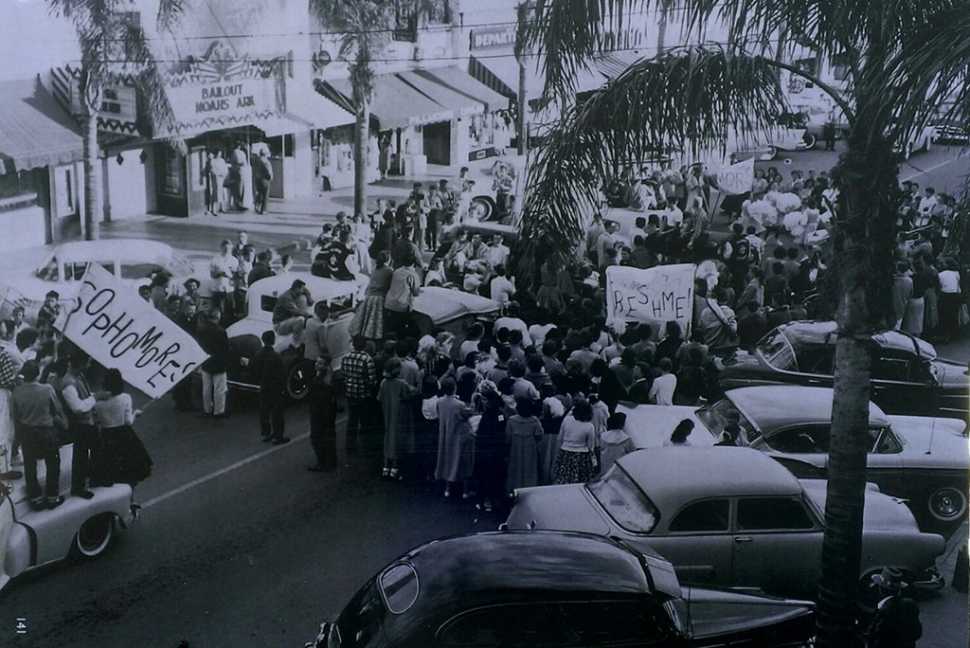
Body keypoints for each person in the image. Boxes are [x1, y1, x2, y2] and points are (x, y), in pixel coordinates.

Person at [11, 360, 66, 510]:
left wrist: (17, 439)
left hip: (27, 433)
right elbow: (57, 408)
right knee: (53, 465)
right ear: (37, 374)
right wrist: (63, 422)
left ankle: (36, 499)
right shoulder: (47, 389)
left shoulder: (17, 392)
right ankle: (52, 497)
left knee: (30, 467)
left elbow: (14, 416)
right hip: (47, 432)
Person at [61, 351, 110, 499]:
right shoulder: (68, 383)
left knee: (97, 450)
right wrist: (96, 397)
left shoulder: (78, 376)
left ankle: (96, 479)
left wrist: (97, 396)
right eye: (88, 362)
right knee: (81, 457)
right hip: (80, 424)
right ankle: (78, 488)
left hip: (89, 421)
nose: (89, 365)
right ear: (80, 364)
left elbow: (85, 395)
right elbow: (78, 407)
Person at [93, 368, 152, 486]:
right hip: (124, 435)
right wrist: (136, 414)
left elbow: (97, 420)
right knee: (130, 471)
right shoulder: (125, 398)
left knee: (111, 470)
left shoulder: (98, 402)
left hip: (106, 435)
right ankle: (131, 499)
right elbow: (128, 421)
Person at [434, 378, 476, 499]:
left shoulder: (440, 401)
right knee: (464, 462)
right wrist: (473, 401)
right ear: (454, 388)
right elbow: (468, 414)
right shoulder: (459, 404)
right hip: (459, 434)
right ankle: (465, 491)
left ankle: (447, 489)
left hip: (445, 434)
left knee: (446, 459)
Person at [377, 357, 416, 481]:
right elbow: (408, 396)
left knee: (388, 436)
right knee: (397, 439)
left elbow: (379, 398)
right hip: (400, 414)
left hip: (387, 412)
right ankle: (395, 467)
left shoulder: (383, 382)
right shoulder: (401, 383)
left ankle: (386, 466)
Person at [866, 567, 922, 648]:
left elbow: (878, 641)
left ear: (880, 589)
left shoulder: (885, 612)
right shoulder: (909, 605)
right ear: (898, 590)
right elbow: (917, 633)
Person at [340, 336, 376, 455]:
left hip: (350, 392)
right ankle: (366, 445)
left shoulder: (345, 357)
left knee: (352, 419)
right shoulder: (367, 359)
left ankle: (350, 445)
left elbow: (343, 375)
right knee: (365, 420)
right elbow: (372, 380)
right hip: (363, 393)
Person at [252, 330, 288, 444]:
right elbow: (283, 373)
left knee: (264, 410)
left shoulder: (258, 354)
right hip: (275, 387)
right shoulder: (276, 356)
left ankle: (266, 433)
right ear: (273, 340)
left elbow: (254, 371)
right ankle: (278, 436)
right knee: (277, 412)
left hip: (264, 385)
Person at [196, 308, 232, 419]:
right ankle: (219, 411)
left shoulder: (201, 330)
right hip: (219, 362)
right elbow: (226, 349)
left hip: (206, 361)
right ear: (217, 316)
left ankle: (207, 409)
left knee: (206, 388)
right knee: (219, 388)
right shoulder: (220, 331)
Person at [350, 250, 393, 341]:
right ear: (388, 260)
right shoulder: (389, 271)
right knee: (376, 324)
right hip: (379, 298)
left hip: (369, 297)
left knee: (365, 321)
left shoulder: (375, 268)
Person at [552, 399, 597, 485]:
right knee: (579, 481)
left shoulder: (567, 420)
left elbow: (560, 437)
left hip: (565, 452)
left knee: (563, 479)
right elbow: (591, 446)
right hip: (582, 456)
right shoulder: (589, 426)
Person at [307, 357, 338, 472]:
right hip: (329, 412)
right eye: (316, 362)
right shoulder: (330, 378)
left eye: (320, 363)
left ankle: (322, 462)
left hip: (320, 413)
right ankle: (331, 461)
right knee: (329, 435)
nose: (316, 364)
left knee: (317, 437)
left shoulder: (320, 381)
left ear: (325, 366)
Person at [506, 398, 543, 494]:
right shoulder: (534, 421)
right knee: (530, 469)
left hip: (515, 447)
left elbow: (508, 436)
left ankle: (514, 489)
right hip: (530, 447)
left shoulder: (511, 420)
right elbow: (539, 435)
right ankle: (529, 489)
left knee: (515, 468)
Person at [384, 252, 421, 339]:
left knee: (389, 327)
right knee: (400, 330)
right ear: (413, 263)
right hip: (401, 306)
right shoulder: (413, 275)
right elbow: (416, 293)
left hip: (389, 303)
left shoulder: (397, 271)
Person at [209, 239, 239, 317]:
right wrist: (220, 273)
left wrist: (229, 275)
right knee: (216, 309)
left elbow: (236, 275)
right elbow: (212, 275)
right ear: (221, 247)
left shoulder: (234, 260)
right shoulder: (215, 259)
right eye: (225, 248)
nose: (226, 251)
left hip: (229, 289)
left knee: (230, 309)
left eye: (229, 249)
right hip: (217, 288)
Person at [207, 149, 229, 214]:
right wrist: (219, 173)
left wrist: (223, 173)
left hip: (222, 178)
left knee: (222, 193)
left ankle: (222, 207)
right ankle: (213, 209)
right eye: (218, 153)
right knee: (215, 193)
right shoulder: (213, 161)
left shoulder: (222, 160)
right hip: (216, 179)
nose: (219, 155)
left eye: (220, 153)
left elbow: (225, 169)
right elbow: (213, 171)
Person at [252, 149, 273, 214]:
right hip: (265, 179)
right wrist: (270, 177)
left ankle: (257, 205)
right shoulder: (266, 162)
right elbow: (268, 171)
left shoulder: (257, 161)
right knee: (265, 194)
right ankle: (263, 209)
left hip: (258, 179)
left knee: (260, 193)